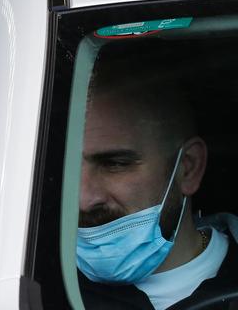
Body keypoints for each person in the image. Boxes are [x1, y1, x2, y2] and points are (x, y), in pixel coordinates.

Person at [77, 39, 238, 310]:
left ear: (188, 168)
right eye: (70, 168)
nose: (84, 198)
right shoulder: (23, 276)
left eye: (114, 163)